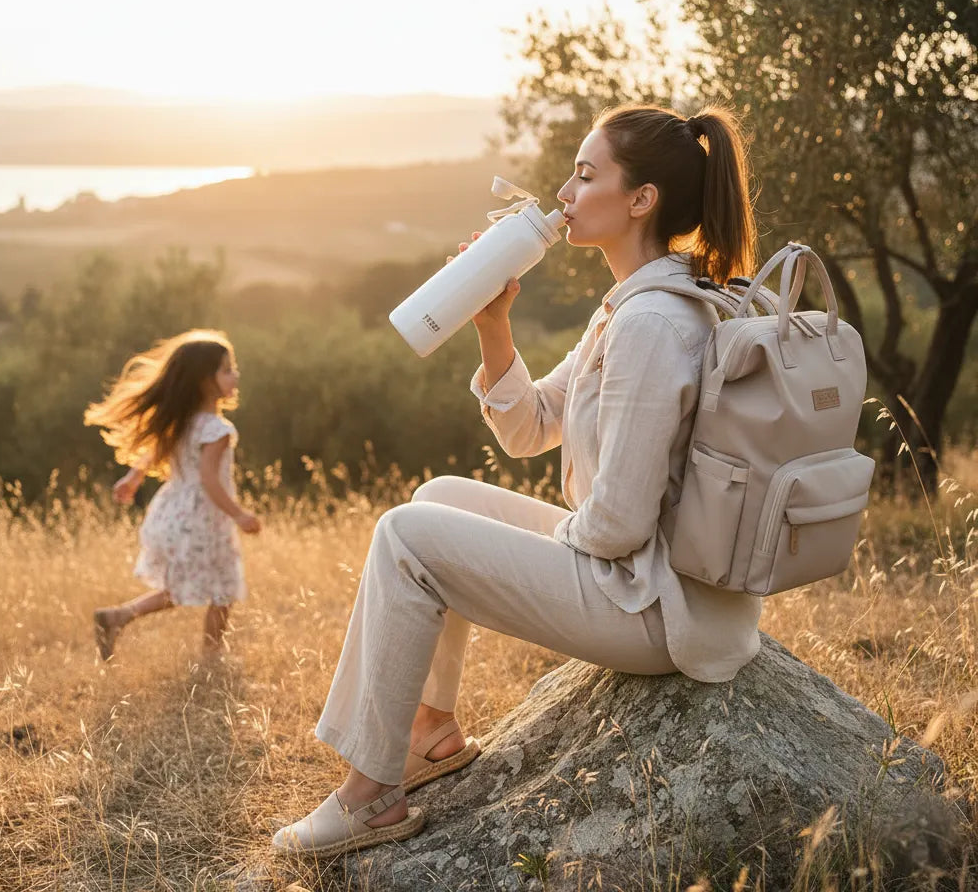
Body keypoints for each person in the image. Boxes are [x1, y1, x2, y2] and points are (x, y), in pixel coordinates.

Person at [272, 103, 762, 857]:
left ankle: (371, 797)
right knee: (437, 501)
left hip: (654, 605)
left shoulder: (652, 324)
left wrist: (525, 558)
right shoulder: (629, 307)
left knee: (409, 536)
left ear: (641, 199)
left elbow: (619, 524)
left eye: (585, 175)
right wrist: (492, 322)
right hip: (638, 572)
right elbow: (531, 427)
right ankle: (429, 731)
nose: (565, 191)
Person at [84, 329, 261, 660]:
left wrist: (134, 477)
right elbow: (209, 479)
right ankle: (211, 655)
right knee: (223, 588)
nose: (235, 375)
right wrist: (238, 514)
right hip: (204, 519)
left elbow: (155, 452)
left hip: (174, 513)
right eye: (227, 370)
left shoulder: (183, 422)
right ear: (205, 381)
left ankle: (118, 616)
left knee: (185, 588)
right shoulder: (218, 430)